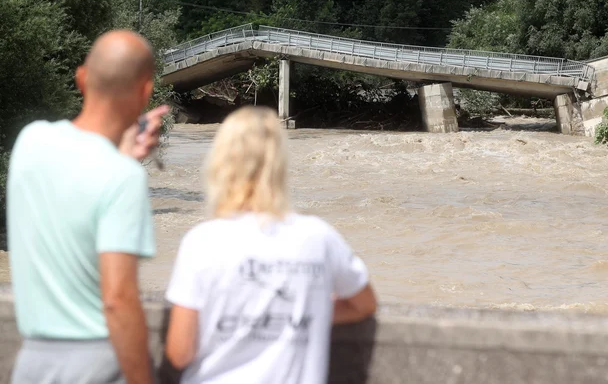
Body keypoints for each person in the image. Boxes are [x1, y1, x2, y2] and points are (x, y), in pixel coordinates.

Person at [164, 106, 377, 384]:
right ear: (280, 164)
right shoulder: (319, 237)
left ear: (219, 163)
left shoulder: (202, 241)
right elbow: (364, 304)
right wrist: (303, 312)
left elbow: (180, 353)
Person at [7, 30, 169, 384]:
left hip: (32, 362)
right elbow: (118, 299)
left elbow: (80, 177)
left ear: (81, 78)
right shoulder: (123, 177)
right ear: (145, 92)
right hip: (97, 364)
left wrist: (122, 156)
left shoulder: (30, 141)